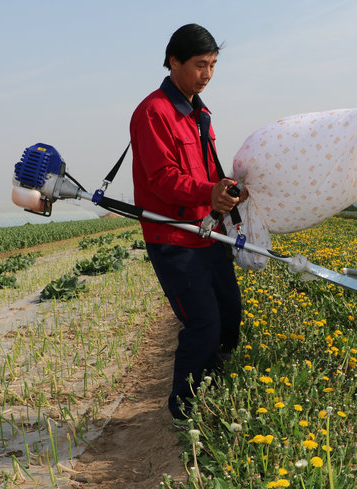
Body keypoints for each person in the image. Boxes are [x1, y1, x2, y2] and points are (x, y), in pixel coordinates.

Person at [130, 23, 247, 425]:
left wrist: (227, 190)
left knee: (230, 314)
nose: (208, 74)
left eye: (213, 65)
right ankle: (184, 411)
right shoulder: (153, 112)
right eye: (200, 65)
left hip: (208, 232)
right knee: (204, 323)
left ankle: (213, 384)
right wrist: (206, 192)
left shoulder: (201, 113)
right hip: (174, 238)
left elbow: (208, 170)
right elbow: (161, 179)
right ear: (174, 61)